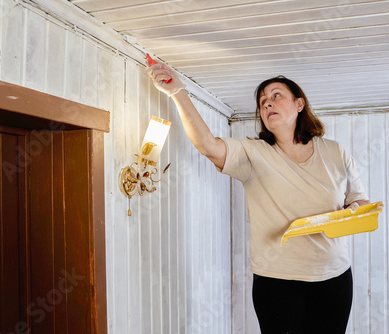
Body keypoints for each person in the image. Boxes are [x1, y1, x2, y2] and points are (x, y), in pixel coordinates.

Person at [147, 61, 369, 334]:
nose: (267, 103)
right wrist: (178, 91)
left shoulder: (336, 152)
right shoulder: (253, 154)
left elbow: (360, 200)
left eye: (276, 95)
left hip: (333, 277)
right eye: (262, 101)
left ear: (300, 104)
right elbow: (207, 144)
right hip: (277, 281)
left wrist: (353, 210)